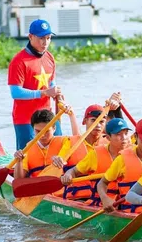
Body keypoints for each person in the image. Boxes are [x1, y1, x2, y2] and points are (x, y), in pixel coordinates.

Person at [8, 19, 62, 150]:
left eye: (48, 38)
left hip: (47, 116)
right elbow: (15, 92)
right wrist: (43, 93)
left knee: (59, 148)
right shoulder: (18, 61)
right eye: (41, 38)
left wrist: (56, 93)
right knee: (27, 157)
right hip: (25, 119)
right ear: (30, 37)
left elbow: (51, 83)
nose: (45, 42)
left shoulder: (49, 57)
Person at [61, 118, 132, 205]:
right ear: (108, 138)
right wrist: (68, 175)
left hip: (127, 204)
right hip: (101, 204)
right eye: (118, 134)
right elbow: (73, 171)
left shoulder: (135, 152)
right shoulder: (96, 154)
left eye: (126, 133)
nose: (124, 138)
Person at [97, 118, 142, 213]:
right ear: (135, 136)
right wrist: (105, 199)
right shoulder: (122, 159)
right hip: (131, 211)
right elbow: (102, 183)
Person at [13, 109, 66, 179]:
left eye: (46, 131)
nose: (42, 135)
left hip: (61, 186)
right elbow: (18, 179)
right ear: (33, 129)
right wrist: (19, 161)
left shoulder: (64, 142)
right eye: (38, 131)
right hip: (36, 186)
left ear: (54, 128)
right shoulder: (28, 148)